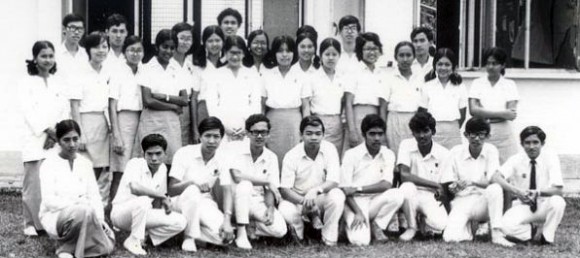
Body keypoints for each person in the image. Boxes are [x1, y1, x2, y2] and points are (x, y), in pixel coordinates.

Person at [39, 120, 115, 258]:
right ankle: (66, 248)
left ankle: (70, 248)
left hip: (86, 214)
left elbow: (94, 196)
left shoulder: (85, 163)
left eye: (75, 139)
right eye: (66, 140)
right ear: (58, 141)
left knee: (108, 244)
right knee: (83, 212)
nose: (72, 144)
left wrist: (99, 219)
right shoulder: (48, 164)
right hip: (56, 216)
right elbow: (49, 201)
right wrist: (78, 205)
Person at [18, 41, 70, 236]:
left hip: (55, 139)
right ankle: (30, 223)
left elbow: (63, 109)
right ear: (35, 58)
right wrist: (47, 131)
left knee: (53, 180)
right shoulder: (27, 82)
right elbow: (28, 111)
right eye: (43, 56)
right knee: (33, 182)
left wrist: (57, 133)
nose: (48, 60)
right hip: (35, 137)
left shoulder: (58, 82)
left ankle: (50, 221)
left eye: (51, 56)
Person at [440, 118, 513, 246]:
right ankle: (466, 227)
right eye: (472, 134)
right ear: (466, 135)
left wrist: (471, 182)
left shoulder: (491, 150)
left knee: (495, 188)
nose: (477, 138)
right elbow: (448, 184)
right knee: (450, 238)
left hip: (484, 201)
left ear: (488, 136)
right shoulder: (455, 152)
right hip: (461, 201)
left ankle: (496, 233)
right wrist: (454, 187)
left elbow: (492, 180)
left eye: (481, 134)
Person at [111, 134, 186, 255]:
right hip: (121, 214)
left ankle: (145, 237)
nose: (154, 158)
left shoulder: (162, 169)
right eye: (150, 154)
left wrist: (165, 205)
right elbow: (135, 188)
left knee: (181, 221)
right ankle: (134, 240)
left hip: (144, 213)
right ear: (143, 154)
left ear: (165, 154)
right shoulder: (134, 163)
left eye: (158, 153)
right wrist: (162, 196)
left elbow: (157, 202)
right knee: (144, 200)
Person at [167, 117, 235, 252]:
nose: (211, 141)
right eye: (207, 136)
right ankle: (189, 237)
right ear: (199, 136)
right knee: (192, 190)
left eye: (216, 137)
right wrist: (193, 184)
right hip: (180, 201)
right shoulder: (184, 153)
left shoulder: (223, 157)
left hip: (204, 203)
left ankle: (183, 230)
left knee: (225, 238)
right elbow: (171, 190)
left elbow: (227, 190)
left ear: (221, 138)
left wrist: (227, 220)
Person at [491, 126, 566, 245]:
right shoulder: (516, 159)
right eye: (527, 143)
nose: (531, 147)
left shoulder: (551, 158)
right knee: (505, 226)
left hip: (544, 204)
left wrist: (538, 192)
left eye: (535, 142)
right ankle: (529, 232)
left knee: (558, 202)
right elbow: (495, 177)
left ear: (543, 143)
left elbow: (558, 190)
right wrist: (517, 191)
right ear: (522, 144)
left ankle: (547, 237)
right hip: (523, 204)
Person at [278, 116, 345, 246]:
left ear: (323, 135)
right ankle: (301, 232)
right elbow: (285, 190)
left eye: (318, 133)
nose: (314, 137)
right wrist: (305, 202)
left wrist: (316, 190)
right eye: (309, 133)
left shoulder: (330, 149)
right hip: (297, 200)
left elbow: (334, 180)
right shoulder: (291, 155)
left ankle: (328, 237)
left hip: (319, 197)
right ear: (301, 135)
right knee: (285, 209)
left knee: (337, 196)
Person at [340, 114, 404, 246]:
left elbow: (386, 185)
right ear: (364, 134)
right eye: (372, 134)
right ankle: (346, 224)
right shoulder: (351, 155)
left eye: (380, 134)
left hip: (376, 201)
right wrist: (358, 212)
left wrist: (358, 188)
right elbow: (345, 190)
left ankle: (377, 224)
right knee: (360, 241)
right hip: (355, 203)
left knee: (397, 194)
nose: (377, 138)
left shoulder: (388, 154)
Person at [226, 114, 288, 249]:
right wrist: (266, 182)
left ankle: (249, 227)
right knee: (245, 186)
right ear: (248, 134)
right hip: (235, 200)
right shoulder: (235, 149)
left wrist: (270, 209)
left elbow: (270, 190)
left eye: (263, 132)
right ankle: (241, 233)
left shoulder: (271, 157)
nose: (259, 136)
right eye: (255, 132)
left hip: (257, 202)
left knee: (280, 230)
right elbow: (237, 176)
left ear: (268, 134)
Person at [135, 29, 189, 166]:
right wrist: (172, 106)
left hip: (171, 122)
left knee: (172, 162)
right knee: (150, 160)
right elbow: (148, 100)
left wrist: (164, 97)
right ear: (157, 46)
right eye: (165, 47)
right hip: (151, 121)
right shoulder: (147, 68)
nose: (168, 51)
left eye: (172, 48)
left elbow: (184, 100)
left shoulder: (177, 69)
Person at [69, 33, 112, 204]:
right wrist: (80, 134)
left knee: (103, 168)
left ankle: (100, 208)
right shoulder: (79, 72)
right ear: (88, 50)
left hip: (102, 123)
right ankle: (82, 207)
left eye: (104, 46)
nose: (101, 51)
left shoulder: (107, 72)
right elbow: (74, 106)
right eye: (96, 47)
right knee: (86, 168)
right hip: (85, 123)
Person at [397, 111, 449, 241]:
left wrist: (440, 190)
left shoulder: (444, 153)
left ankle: (423, 221)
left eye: (426, 131)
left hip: (431, 196)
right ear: (413, 133)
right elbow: (404, 175)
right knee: (407, 187)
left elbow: (444, 185)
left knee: (440, 225)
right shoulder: (405, 145)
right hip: (411, 194)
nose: (421, 136)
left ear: (433, 132)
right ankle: (411, 227)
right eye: (417, 132)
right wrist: (435, 184)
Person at [261, 35, 312, 168]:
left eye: (288, 51)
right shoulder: (267, 75)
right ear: (274, 53)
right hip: (273, 122)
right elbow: (262, 106)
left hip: (295, 122)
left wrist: (306, 128)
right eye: (280, 51)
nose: (284, 55)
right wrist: (262, 127)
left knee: (294, 157)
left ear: (293, 53)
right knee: (272, 158)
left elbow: (306, 106)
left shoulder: (302, 76)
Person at [108, 35, 144, 213]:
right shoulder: (118, 71)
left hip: (142, 119)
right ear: (124, 52)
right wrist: (116, 135)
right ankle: (113, 210)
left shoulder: (144, 70)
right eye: (131, 50)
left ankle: (130, 209)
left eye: (138, 50)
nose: (135, 54)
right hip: (123, 121)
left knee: (136, 168)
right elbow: (112, 104)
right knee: (120, 170)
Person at [201, 36, 261, 142]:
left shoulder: (252, 73)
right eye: (231, 52)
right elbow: (212, 104)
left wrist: (248, 126)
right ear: (225, 52)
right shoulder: (216, 74)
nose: (235, 57)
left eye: (238, 53)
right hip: (223, 128)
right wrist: (223, 126)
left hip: (246, 129)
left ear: (243, 53)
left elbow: (256, 103)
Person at [469, 47, 519, 164]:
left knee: (507, 167)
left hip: (504, 134)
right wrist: (502, 113)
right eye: (488, 63)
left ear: (502, 65)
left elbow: (511, 114)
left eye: (495, 63)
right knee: (483, 166)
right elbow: (473, 110)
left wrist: (483, 113)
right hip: (482, 131)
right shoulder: (477, 83)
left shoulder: (509, 85)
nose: (490, 67)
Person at [419, 48, 467, 149]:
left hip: (453, 132)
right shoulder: (427, 86)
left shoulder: (460, 86)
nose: (443, 68)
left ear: (453, 67)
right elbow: (423, 112)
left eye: (447, 64)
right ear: (435, 66)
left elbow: (462, 114)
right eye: (440, 64)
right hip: (433, 131)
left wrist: (452, 127)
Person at [345, 32, 387, 148]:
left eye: (374, 48)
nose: (372, 52)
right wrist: (352, 130)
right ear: (360, 51)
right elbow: (348, 102)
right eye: (367, 49)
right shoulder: (353, 71)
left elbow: (383, 103)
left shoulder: (382, 73)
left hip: (376, 116)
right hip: (358, 117)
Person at [381, 41, 423, 154]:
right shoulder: (389, 78)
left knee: (413, 155)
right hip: (395, 122)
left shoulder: (420, 77)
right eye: (401, 55)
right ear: (396, 57)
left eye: (408, 55)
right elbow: (382, 108)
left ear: (414, 57)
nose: (405, 59)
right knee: (396, 156)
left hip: (415, 122)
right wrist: (383, 132)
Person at [309, 38, 345, 154]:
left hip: (337, 125)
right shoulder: (312, 78)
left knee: (334, 157)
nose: (330, 58)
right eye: (327, 54)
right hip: (317, 123)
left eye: (334, 54)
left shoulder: (343, 78)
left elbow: (344, 103)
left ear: (339, 56)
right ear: (320, 55)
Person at [172, 22, 201, 145]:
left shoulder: (191, 66)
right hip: (169, 109)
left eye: (189, 39)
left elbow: (193, 97)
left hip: (186, 112)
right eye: (182, 38)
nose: (185, 42)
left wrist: (195, 129)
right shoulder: (166, 63)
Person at [194, 25, 226, 122]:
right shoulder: (198, 67)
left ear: (223, 42)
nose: (214, 44)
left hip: (225, 110)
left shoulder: (228, 65)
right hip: (204, 111)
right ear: (204, 43)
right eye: (210, 41)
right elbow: (194, 98)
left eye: (217, 40)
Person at [56, 13, 89, 87]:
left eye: (80, 29)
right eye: (73, 28)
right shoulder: (55, 54)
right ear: (64, 29)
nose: (77, 32)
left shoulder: (87, 55)